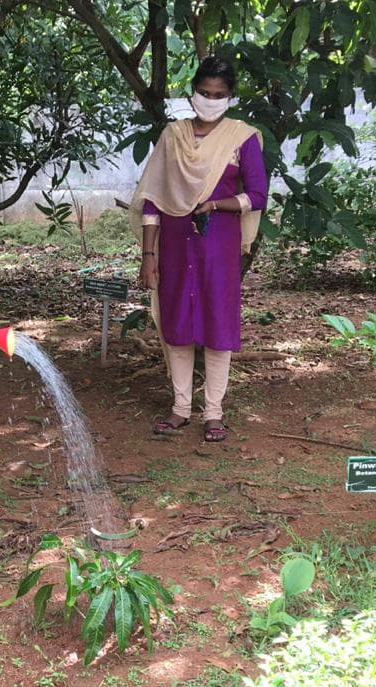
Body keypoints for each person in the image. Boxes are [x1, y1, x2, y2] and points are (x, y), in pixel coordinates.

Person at [130, 55, 267, 442]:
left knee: (217, 326)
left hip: (218, 247)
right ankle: (179, 409)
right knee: (177, 326)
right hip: (174, 244)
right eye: (204, 93)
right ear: (193, 94)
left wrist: (215, 204)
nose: (211, 99)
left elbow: (257, 196)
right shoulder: (173, 137)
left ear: (230, 97)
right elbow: (154, 199)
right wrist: (148, 255)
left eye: (219, 94)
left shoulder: (242, 138)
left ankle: (214, 413)